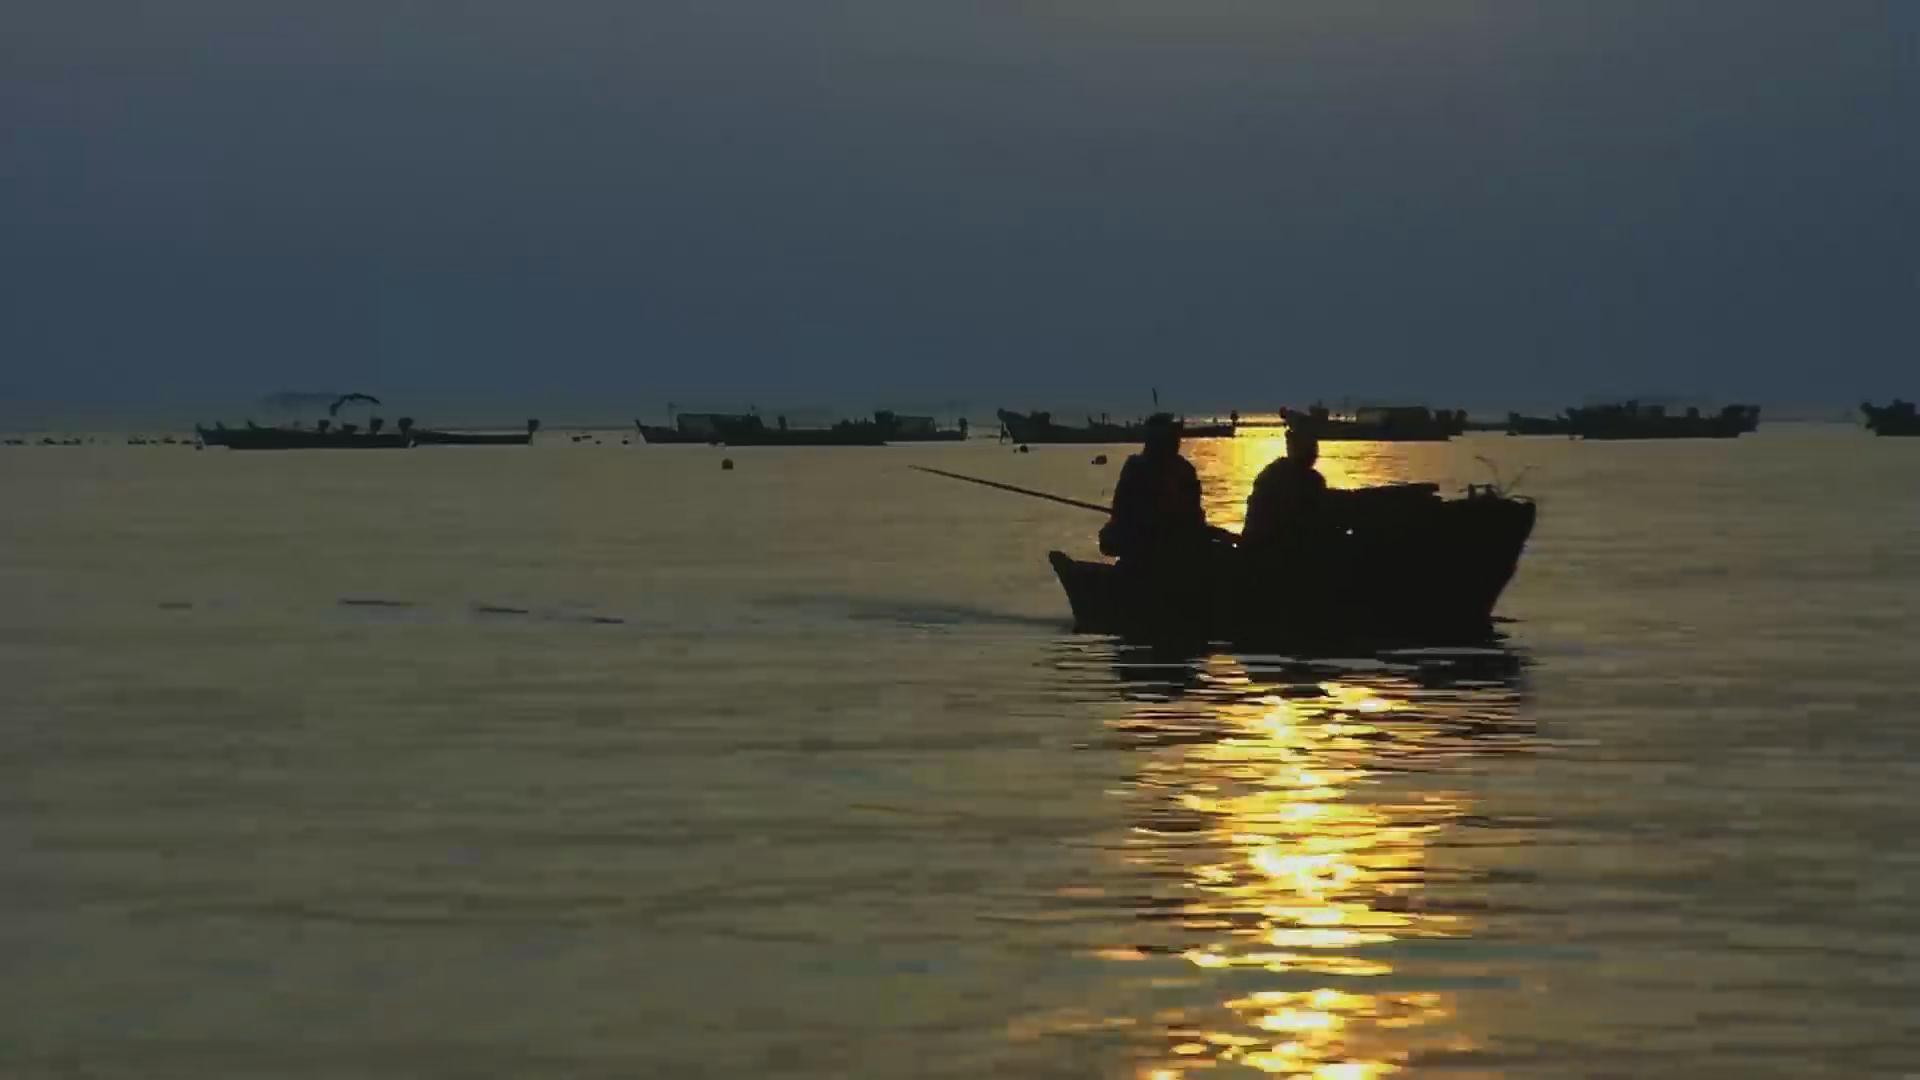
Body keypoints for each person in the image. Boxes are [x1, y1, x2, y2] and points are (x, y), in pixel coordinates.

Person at [1099, 413, 1208, 562]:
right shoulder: (1181, 468)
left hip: (1167, 548)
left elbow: (1193, 516)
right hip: (1153, 547)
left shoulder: (1138, 467)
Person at [1242, 428, 1326, 550]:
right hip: (1274, 546)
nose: (1315, 452)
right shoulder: (1303, 479)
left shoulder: (1272, 473)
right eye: (1312, 446)